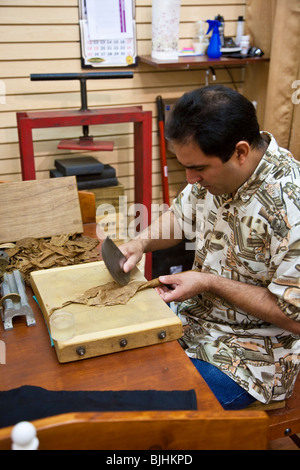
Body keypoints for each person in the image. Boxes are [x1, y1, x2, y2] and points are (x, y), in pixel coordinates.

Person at [120, 85, 300, 409]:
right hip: (192, 324)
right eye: (184, 167)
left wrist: (209, 281)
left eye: (199, 168)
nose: (190, 179)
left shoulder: (291, 207)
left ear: (240, 152)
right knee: (115, 368)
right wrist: (139, 242)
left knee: (143, 407)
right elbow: (181, 215)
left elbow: (294, 317)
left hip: (251, 359)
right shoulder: (216, 175)